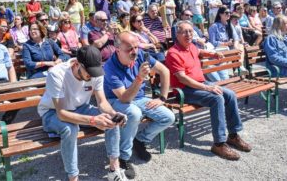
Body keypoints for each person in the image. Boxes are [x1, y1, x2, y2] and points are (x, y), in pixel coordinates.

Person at [37, 46, 128, 181]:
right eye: (89, 72)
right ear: (76, 64)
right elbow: (61, 113)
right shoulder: (57, 74)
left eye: (94, 72)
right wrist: (93, 120)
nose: (91, 76)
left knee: (110, 120)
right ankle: (73, 177)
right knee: (70, 129)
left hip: (80, 107)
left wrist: (114, 114)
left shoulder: (95, 73)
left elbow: (102, 102)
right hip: (51, 112)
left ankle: (114, 169)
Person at [165, 20, 252, 161]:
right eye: (184, 32)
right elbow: (182, 79)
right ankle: (218, 144)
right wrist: (207, 87)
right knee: (216, 98)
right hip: (185, 90)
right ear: (177, 35)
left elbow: (199, 51)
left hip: (199, 84)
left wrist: (213, 54)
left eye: (190, 31)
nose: (188, 34)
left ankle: (233, 135)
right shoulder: (173, 53)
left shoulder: (191, 46)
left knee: (229, 94)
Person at [103, 31, 175, 179]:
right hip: (115, 101)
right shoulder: (110, 67)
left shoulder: (141, 54)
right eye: (129, 48)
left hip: (139, 98)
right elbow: (124, 98)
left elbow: (165, 71)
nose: (134, 51)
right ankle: (123, 157)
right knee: (134, 113)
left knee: (168, 117)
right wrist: (140, 78)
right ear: (118, 50)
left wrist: (162, 97)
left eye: (136, 47)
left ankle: (140, 140)